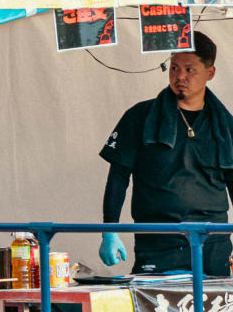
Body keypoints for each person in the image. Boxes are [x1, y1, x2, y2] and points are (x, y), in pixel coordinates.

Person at [99, 34, 233, 277]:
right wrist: (109, 230)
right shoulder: (140, 116)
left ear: (209, 73)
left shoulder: (225, 125)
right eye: (173, 68)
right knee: (158, 311)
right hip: (157, 241)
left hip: (214, 244)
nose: (179, 76)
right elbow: (118, 178)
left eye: (189, 69)